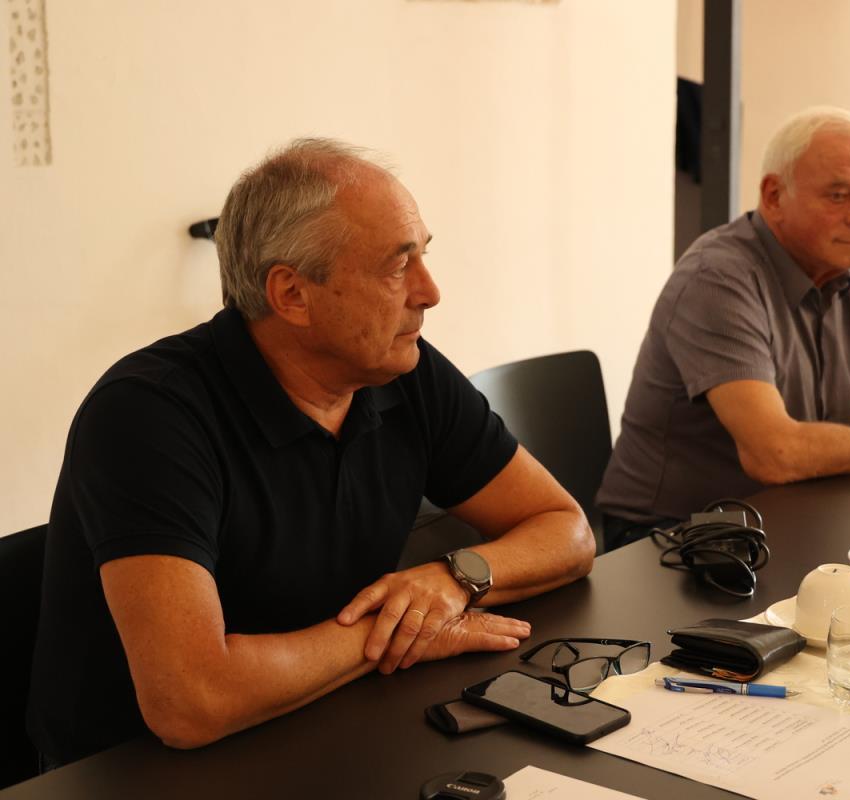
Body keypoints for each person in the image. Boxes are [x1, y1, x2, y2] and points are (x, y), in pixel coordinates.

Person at [27, 139, 595, 768]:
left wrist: (451, 579)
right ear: (292, 294)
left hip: (328, 724)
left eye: (423, 256)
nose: (430, 292)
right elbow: (191, 701)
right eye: (397, 267)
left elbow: (566, 530)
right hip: (139, 773)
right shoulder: (147, 414)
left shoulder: (403, 371)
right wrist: (396, 629)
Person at [597, 107, 850, 548]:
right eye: (839, 195)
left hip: (793, 509)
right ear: (774, 196)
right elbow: (775, 454)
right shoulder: (717, 278)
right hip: (669, 535)